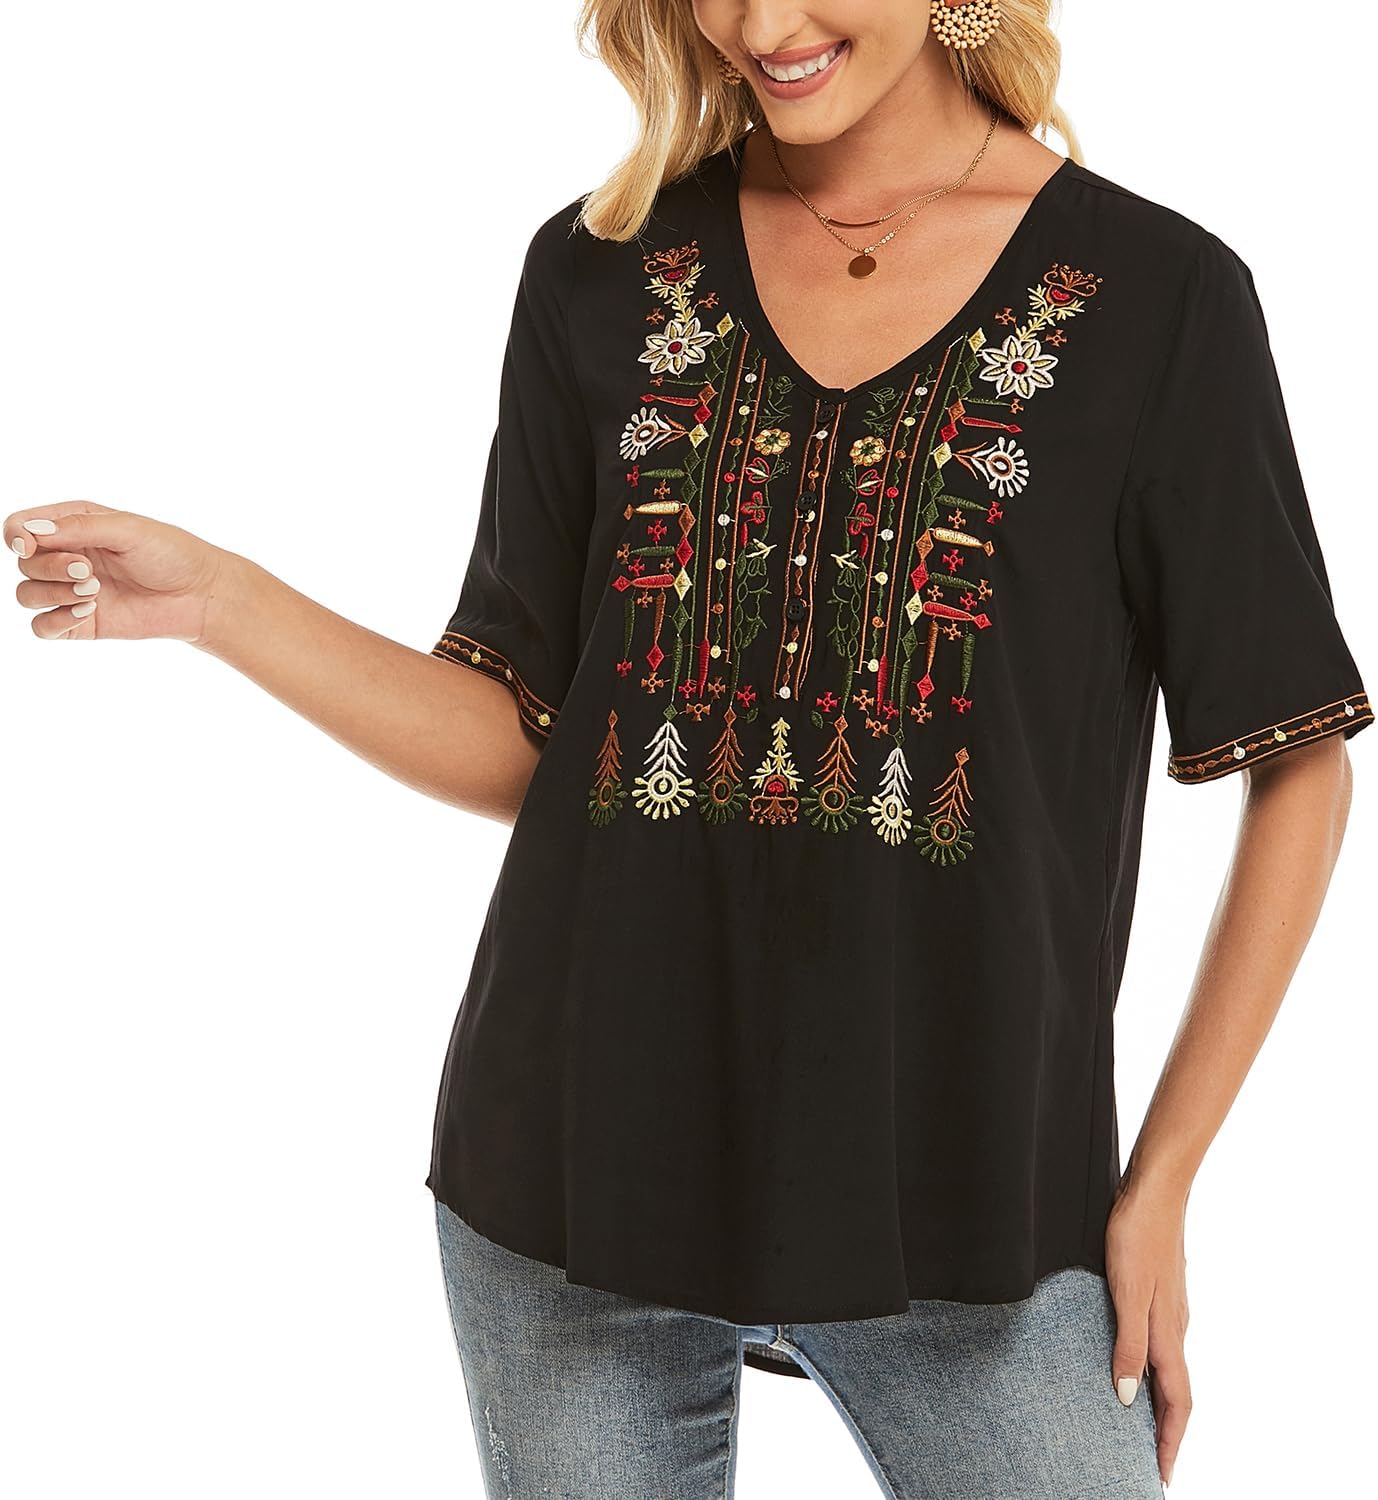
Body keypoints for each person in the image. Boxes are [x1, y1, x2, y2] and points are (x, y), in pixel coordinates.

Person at [9, 1, 1371, 1495]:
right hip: (574, 1181)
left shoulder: (1156, 296)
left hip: (972, 1200)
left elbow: (1298, 762)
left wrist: (1161, 1183)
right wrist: (223, 604)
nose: (759, 24)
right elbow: (531, 740)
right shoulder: (599, 267)